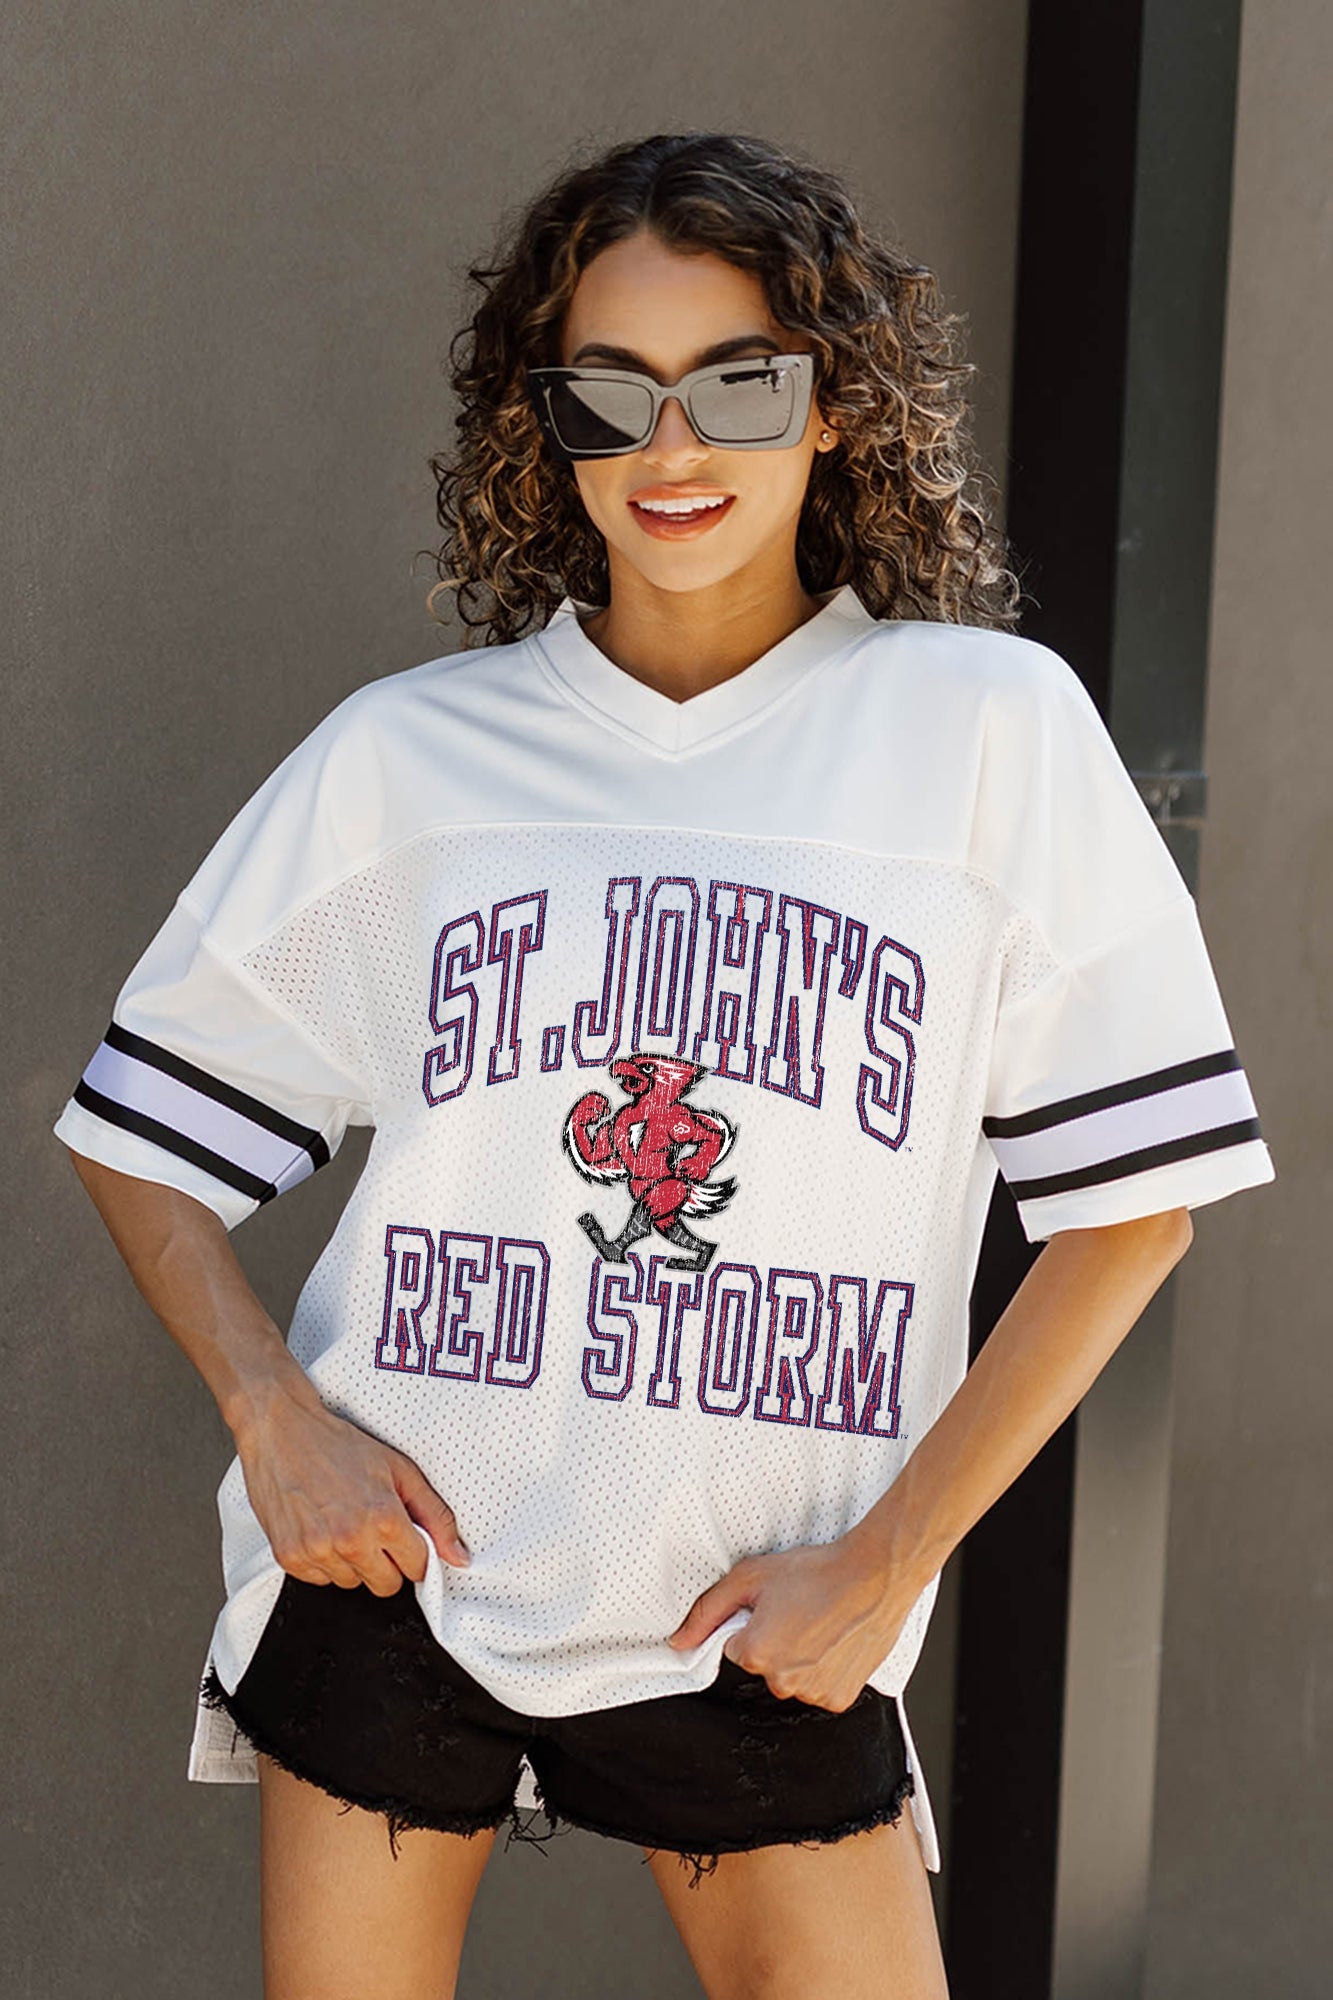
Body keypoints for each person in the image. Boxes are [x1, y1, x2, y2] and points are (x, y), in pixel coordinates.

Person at [54, 131, 1275, 2000]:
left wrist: (889, 1561)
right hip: (404, 1588)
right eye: (608, 393)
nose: (672, 446)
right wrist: (274, 1419)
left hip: (766, 1614)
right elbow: (139, 1135)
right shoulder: (413, 759)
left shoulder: (984, 732)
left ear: (837, 406)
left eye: (739, 383)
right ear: (546, 425)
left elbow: (1135, 1214)